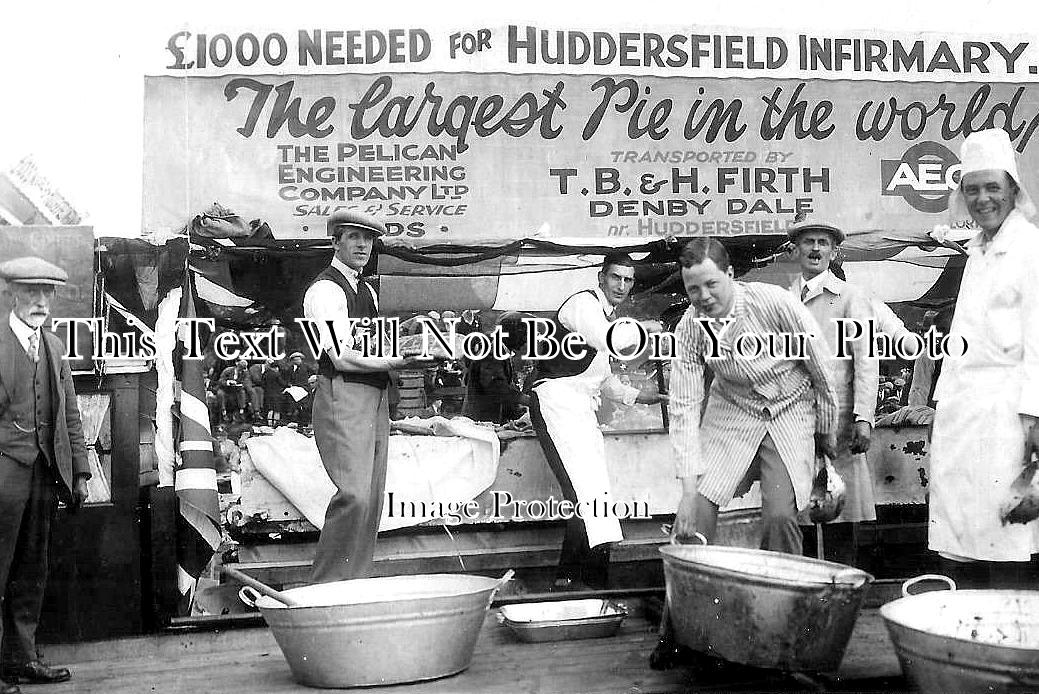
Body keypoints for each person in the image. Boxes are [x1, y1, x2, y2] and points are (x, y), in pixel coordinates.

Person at [669, 238, 838, 555]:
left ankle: (783, 599)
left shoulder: (774, 302)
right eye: (693, 289)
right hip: (731, 412)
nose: (704, 297)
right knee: (696, 512)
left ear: (730, 273)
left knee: (779, 515)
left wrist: (826, 430)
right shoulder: (690, 329)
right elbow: (683, 410)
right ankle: (696, 598)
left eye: (712, 284)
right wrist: (688, 492)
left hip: (789, 408)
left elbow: (821, 368)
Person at [928, 128, 1039, 586]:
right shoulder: (977, 250)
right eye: (972, 189)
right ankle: (967, 638)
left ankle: (1009, 645)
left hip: (1008, 413)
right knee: (962, 534)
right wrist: (940, 404)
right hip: (963, 411)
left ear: (1013, 188)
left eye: (992, 187)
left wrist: (1033, 415)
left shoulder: (1030, 249)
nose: (983, 198)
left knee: (1007, 533)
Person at [528, 253, 666, 590]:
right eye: (616, 277)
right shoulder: (583, 305)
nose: (622, 285)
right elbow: (610, 340)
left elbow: (601, 380)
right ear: (601, 277)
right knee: (583, 495)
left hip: (579, 410)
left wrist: (640, 397)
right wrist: (643, 327)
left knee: (596, 495)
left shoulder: (606, 317)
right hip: (556, 404)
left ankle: (583, 581)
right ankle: (575, 582)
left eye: (628, 280)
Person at [304, 210, 429, 583]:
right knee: (354, 495)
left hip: (373, 395)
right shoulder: (325, 290)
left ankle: (354, 580)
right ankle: (326, 585)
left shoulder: (367, 290)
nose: (363, 245)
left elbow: (369, 343)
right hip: (343, 394)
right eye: (354, 237)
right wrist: (397, 359)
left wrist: (408, 340)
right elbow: (339, 355)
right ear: (335, 241)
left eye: (369, 239)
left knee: (372, 498)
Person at [0, 256, 90, 691]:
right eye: (30, 292)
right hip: (2, 474)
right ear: (11, 294)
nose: (39, 301)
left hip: (43, 475)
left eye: (46, 293)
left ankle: (21, 659)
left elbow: (70, 415)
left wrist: (80, 473)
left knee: (31, 567)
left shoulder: (53, 346)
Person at [788, 219, 879, 564]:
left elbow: (866, 360)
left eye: (822, 243)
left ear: (833, 250)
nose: (815, 249)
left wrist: (864, 418)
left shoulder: (851, 297)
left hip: (840, 423)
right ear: (796, 249)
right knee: (804, 511)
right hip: (796, 420)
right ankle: (813, 603)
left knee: (841, 513)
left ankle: (842, 597)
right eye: (808, 242)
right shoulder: (785, 298)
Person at [461, 312, 530, 424]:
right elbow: (496, 387)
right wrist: (527, 401)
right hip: (481, 421)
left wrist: (516, 411)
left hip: (487, 419)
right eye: (523, 335)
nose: (525, 340)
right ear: (510, 333)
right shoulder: (493, 353)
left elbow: (504, 386)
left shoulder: (500, 351)